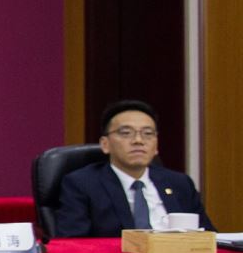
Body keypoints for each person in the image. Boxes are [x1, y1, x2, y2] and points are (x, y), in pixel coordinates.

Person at [54, 99, 214, 237]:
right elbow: (73, 243)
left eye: (148, 133)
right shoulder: (83, 184)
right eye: (126, 133)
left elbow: (209, 236)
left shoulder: (180, 183)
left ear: (156, 145)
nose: (138, 140)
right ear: (105, 144)